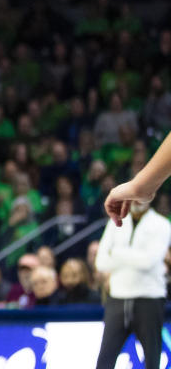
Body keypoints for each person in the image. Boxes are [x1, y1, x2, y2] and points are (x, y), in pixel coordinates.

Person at [94, 200, 171, 369]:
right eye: (135, 195)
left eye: (143, 194)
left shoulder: (162, 224)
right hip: (118, 298)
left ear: (152, 196)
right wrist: (136, 257)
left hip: (149, 298)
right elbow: (101, 262)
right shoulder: (115, 222)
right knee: (104, 361)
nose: (138, 199)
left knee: (152, 360)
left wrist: (116, 252)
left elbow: (149, 262)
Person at [107, 131, 171, 224]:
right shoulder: (123, 171)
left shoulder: (155, 172)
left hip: (151, 218)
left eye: (142, 151)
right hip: (125, 218)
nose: (139, 155)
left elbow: (144, 190)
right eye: (137, 151)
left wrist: (137, 188)